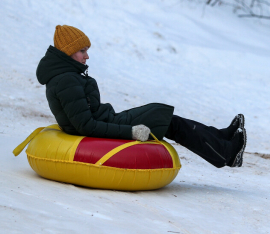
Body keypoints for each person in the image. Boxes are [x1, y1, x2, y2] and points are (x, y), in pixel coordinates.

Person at [36, 25, 247, 168]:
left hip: (108, 120)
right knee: (165, 120)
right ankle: (227, 154)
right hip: (103, 127)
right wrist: (131, 131)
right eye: (82, 50)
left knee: (161, 113)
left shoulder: (67, 75)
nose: (87, 56)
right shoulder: (66, 80)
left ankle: (222, 137)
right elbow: (85, 126)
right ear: (68, 51)